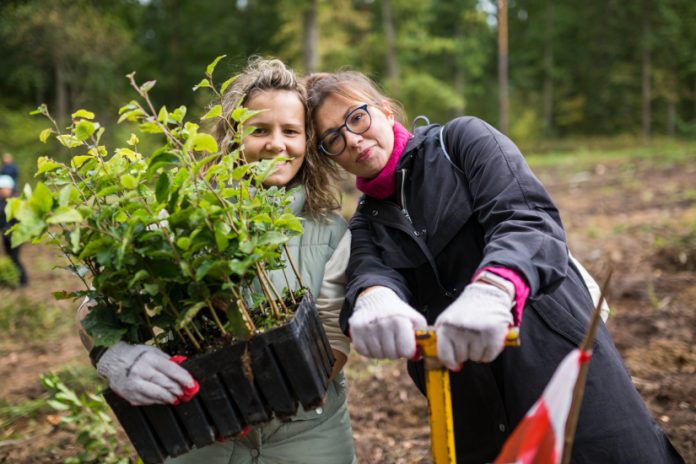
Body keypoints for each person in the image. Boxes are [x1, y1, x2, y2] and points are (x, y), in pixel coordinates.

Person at [305, 71, 683, 463]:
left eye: (357, 118)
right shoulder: (366, 222)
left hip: (554, 355)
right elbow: (370, 272)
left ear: (384, 112)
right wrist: (374, 299)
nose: (352, 139)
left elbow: (525, 217)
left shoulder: (461, 142)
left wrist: (494, 289)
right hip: (468, 401)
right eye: (333, 139)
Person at [79, 59, 356, 463]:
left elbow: (334, 342)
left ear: (308, 142)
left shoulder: (331, 230)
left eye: (291, 131)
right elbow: (93, 300)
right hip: (201, 434)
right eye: (259, 130)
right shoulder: (184, 219)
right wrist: (112, 356)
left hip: (310, 433)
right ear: (231, 138)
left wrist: (249, 396)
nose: (276, 144)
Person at [0, 174, 28, 286]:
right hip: (5, 235)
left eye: (3, 189)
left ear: (9, 188)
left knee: (15, 258)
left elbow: (20, 219)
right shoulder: (1, 201)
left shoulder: (16, 201)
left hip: (15, 235)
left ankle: (24, 281)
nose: (1, 191)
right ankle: (15, 279)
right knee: (10, 257)